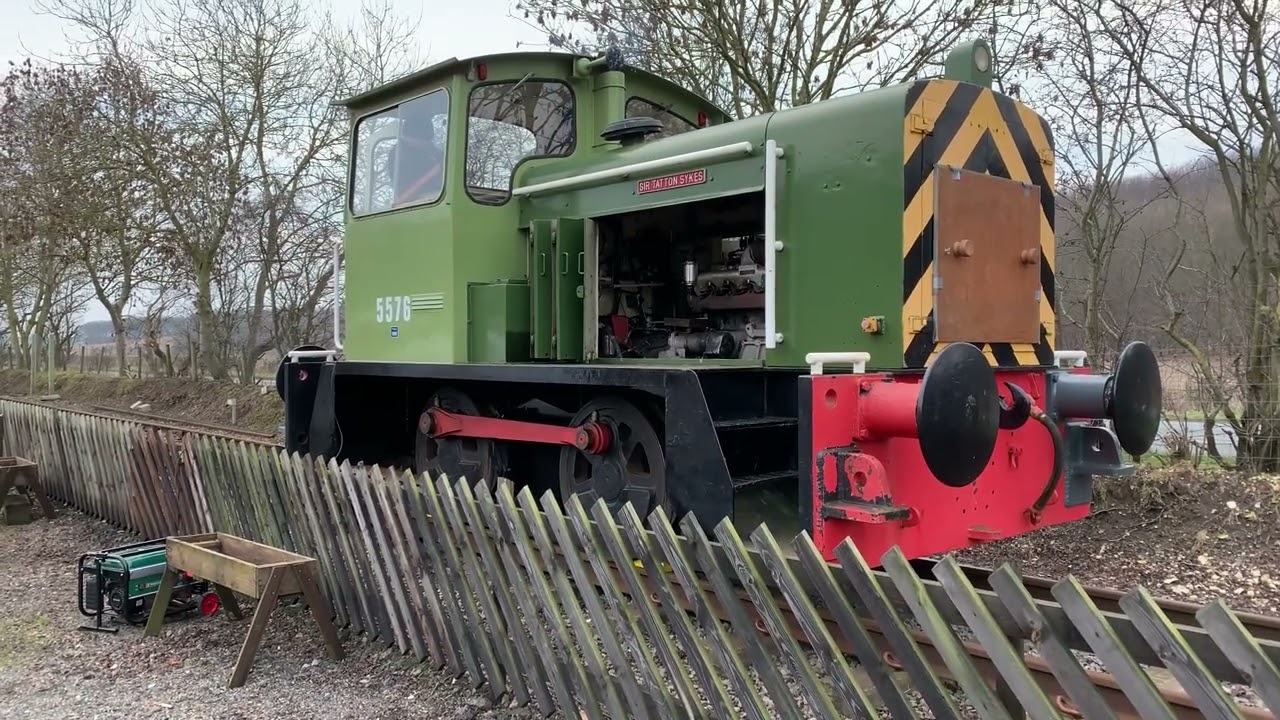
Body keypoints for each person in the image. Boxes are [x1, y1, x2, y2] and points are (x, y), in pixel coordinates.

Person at [393, 97, 446, 206]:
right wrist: (435, 171)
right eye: (425, 141)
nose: (429, 144)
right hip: (416, 204)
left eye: (428, 141)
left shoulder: (435, 154)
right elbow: (406, 193)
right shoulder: (398, 155)